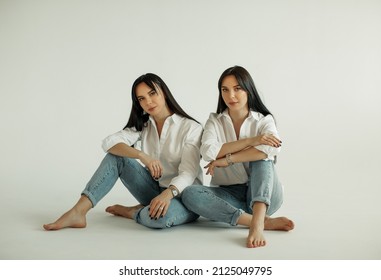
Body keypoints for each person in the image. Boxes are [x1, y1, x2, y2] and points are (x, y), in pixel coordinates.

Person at [43, 73, 203, 230]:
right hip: (154, 190)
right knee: (116, 156)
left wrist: (168, 194)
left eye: (152, 93)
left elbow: (188, 173)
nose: (148, 101)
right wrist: (142, 155)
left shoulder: (191, 128)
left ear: (164, 92)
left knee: (158, 219)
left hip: (184, 197)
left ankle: (133, 211)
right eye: (141, 99)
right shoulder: (144, 126)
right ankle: (78, 212)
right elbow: (109, 142)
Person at [181, 66, 294, 248]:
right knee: (189, 194)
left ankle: (257, 223)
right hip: (231, 195)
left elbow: (271, 150)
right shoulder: (214, 121)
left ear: (248, 89)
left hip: (266, 195)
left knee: (262, 158)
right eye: (225, 90)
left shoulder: (264, 120)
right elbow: (209, 152)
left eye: (237, 89)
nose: (231, 96)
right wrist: (253, 140)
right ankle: (260, 221)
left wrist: (227, 159)